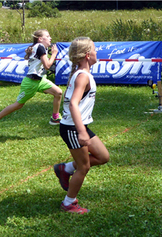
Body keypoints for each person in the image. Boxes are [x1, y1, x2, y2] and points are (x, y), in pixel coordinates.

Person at [53, 37, 109, 214]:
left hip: (79, 126)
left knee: (103, 157)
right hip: (73, 128)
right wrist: (81, 131)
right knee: (84, 166)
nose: (96, 51)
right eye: (94, 49)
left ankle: (66, 168)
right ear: (87, 55)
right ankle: (69, 203)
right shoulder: (83, 76)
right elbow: (73, 104)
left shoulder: (83, 74)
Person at [0, 29, 62, 134]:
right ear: (40, 39)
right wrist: (54, 54)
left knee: (58, 92)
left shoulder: (39, 47)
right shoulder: (40, 47)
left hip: (40, 80)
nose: (50, 38)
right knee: (18, 105)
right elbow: (48, 66)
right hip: (31, 82)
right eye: (48, 36)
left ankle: (55, 118)